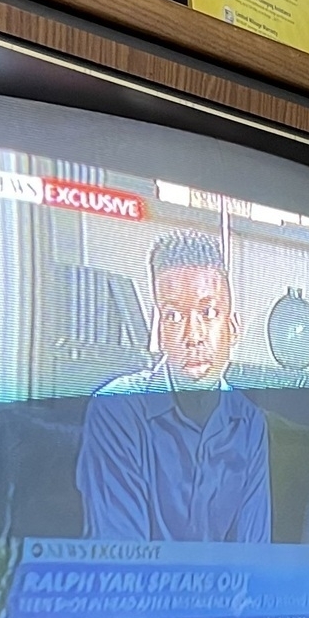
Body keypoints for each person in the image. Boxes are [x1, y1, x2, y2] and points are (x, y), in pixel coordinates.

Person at [76, 229, 271, 542]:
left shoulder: (249, 422)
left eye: (208, 313)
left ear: (232, 329)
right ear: (160, 329)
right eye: (174, 315)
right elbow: (122, 559)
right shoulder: (116, 408)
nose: (192, 336)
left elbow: (253, 556)